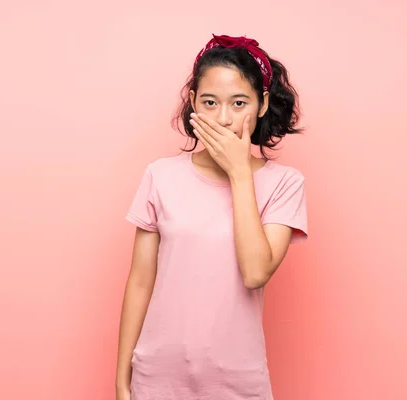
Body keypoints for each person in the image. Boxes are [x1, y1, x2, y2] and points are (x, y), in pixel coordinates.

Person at [116, 33, 308, 400]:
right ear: (193, 104)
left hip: (237, 382)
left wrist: (239, 173)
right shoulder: (160, 176)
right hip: (157, 378)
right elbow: (140, 281)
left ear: (263, 103)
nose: (223, 119)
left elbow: (255, 272)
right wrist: (122, 382)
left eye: (239, 103)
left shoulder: (285, 184)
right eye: (210, 102)